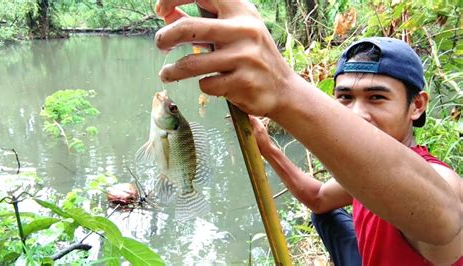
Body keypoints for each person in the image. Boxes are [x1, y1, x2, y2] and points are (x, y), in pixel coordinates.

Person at [153, 1, 462, 265]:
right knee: (323, 214)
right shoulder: (358, 175)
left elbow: (446, 216)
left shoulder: (441, 179)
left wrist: (282, 88)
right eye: (344, 97)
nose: (356, 114)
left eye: (377, 97)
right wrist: (267, 146)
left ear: (417, 106)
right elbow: (316, 197)